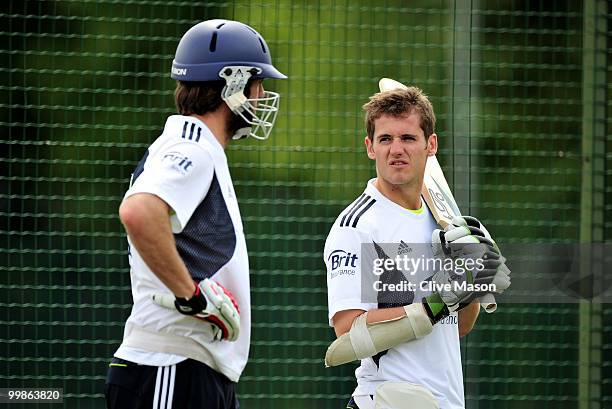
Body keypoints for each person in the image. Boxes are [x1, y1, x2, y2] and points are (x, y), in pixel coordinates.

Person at [105, 19, 286, 409]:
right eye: (258, 84)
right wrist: (193, 296)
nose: (262, 95)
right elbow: (138, 212)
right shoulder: (193, 147)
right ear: (233, 84)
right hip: (170, 367)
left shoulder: (198, 146)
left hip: (191, 369)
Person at [323, 87, 510, 409]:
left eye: (408, 138)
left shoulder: (442, 220)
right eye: (385, 139)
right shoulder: (357, 226)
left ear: (431, 144)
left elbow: (460, 326)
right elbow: (347, 331)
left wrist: (473, 280)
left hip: (445, 400)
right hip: (386, 400)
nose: (396, 149)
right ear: (370, 148)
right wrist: (437, 303)